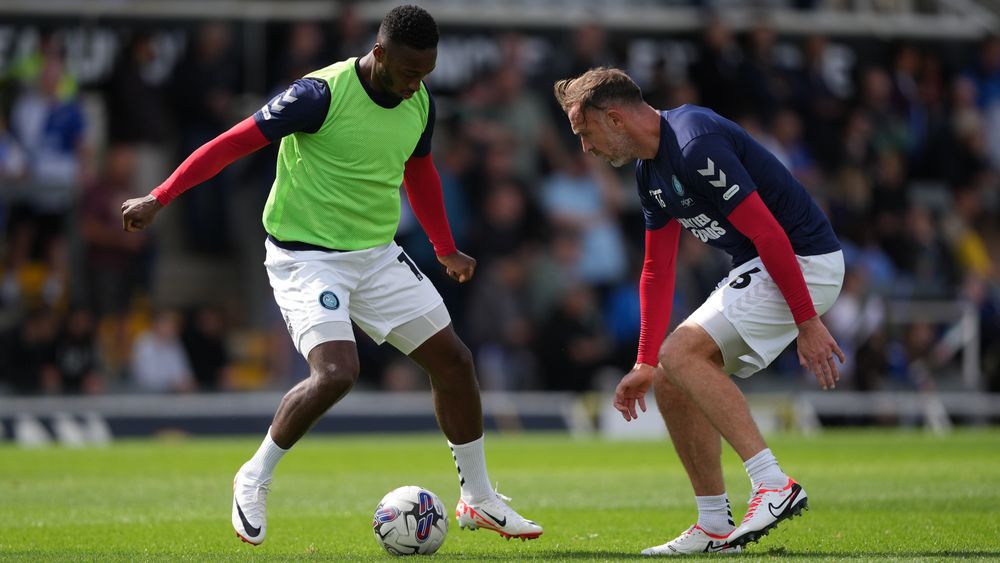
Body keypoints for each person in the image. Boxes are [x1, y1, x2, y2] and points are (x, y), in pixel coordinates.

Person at [122, 5, 541, 546]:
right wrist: (160, 196)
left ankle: (479, 499)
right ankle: (254, 475)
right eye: (411, 71)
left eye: (427, 73)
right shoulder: (317, 95)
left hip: (374, 254)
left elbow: (418, 169)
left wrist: (444, 247)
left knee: (454, 362)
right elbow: (231, 143)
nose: (418, 84)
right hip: (306, 256)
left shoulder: (420, 101)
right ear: (381, 53)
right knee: (338, 373)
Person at [554, 67, 845, 555]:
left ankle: (772, 484)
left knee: (684, 353)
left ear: (615, 119)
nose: (586, 148)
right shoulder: (650, 171)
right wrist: (645, 361)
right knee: (672, 372)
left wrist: (807, 322)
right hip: (764, 264)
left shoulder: (694, 144)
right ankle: (713, 524)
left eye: (585, 133)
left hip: (802, 260)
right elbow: (656, 269)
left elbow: (771, 234)